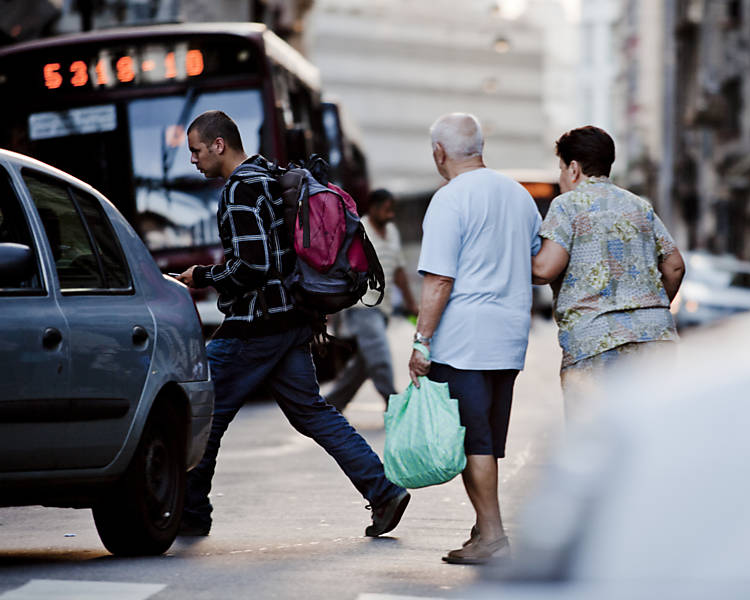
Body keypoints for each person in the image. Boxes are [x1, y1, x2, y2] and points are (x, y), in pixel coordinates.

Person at [175, 110, 410, 538]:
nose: (193, 160)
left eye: (196, 150)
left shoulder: (240, 189)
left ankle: (190, 511)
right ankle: (383, 491)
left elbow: (254, 264)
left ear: (219, 145)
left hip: (256, 325)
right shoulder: (269, 174)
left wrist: (203, 277)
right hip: (292, 318)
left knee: (204, 412)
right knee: (312, 413)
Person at [406, 113, 541, 565]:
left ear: (439, 153)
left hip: (464, 342)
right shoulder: (519, 196)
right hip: (509, 340)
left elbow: (439, 281)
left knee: (473, 443)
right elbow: (538, 266)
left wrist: (421, 342)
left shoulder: (450, 200)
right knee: (487, 440)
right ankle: (483, 529)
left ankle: (494, 539)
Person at [531, 126, 685, 419]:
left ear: (573, 168)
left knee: (595, 444)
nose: (562, 176)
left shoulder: (568, 205)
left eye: (561, 168)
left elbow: (544, 270)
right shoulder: (640, 205)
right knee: (653, 437)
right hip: (656, 337)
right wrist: (646, 306)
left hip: (595, 343)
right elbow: (675, 265)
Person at [325, 188, 418, 412]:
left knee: (364, 364)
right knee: (379, 358)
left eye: (392, 209)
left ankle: (330, 406)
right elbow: (338, 268)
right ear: (374, 208)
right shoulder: (358, 230)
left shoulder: (392, 232)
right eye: (386, 210)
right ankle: (395, 405)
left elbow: (399, 271)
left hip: (382, 309)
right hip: (362, 307)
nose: (391, 214)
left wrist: (410, 303)